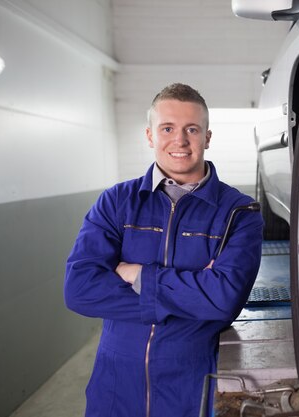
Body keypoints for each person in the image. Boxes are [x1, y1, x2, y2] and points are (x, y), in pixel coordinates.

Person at [65, 83, 263, 417]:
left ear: (208, 137)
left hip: (191, 383)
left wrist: (136, 274)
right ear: (150, 135)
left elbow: (224, 300)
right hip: (114, 384)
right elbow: (79, 290)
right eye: (167, 128)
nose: (180, 140)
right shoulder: (116, 202)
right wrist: (193, 292)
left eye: (192, 129)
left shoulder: (239, 212)